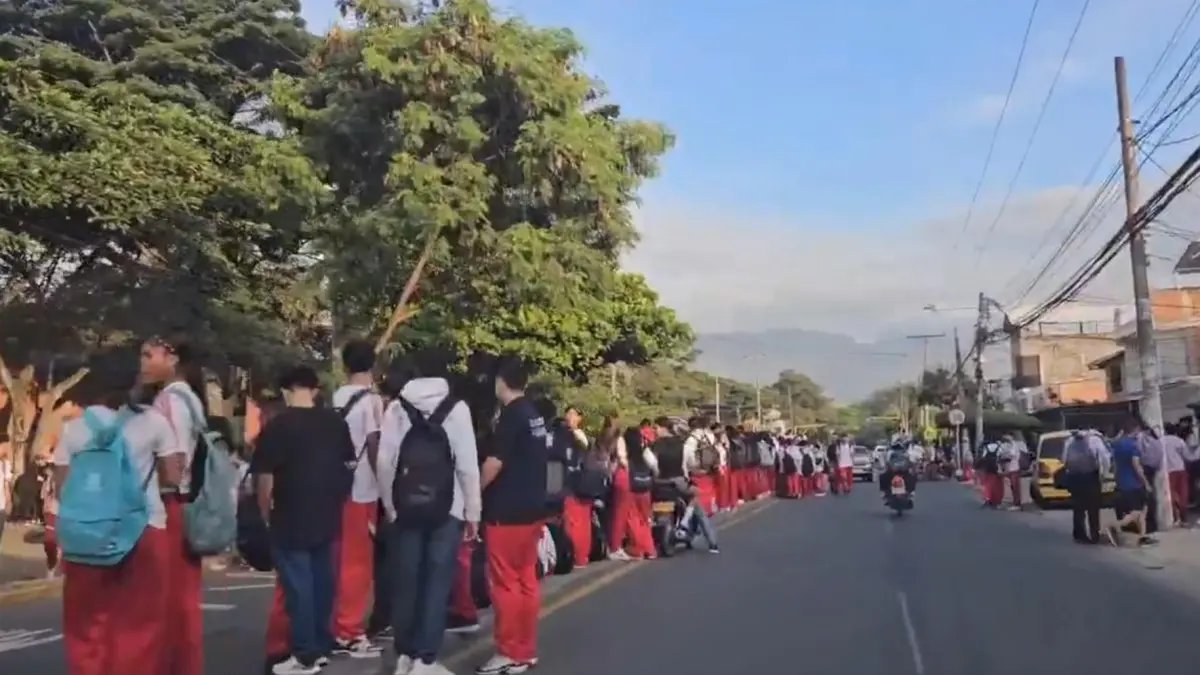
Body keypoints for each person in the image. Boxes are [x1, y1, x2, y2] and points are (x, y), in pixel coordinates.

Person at [56, 365, 185, 675]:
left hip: (86, 533)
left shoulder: (74, 429)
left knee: (85, 622)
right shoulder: (154, 422)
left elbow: (63, 487)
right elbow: (173, 476)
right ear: (133, 384)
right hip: (144, 529)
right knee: (139, 621)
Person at [377, 354, 481, 675]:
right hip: (449, 509)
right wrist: (473, 512)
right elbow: (467, 465)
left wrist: (390, 506)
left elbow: (385, 462)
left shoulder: (397, 408)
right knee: (437, 584)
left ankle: (404, 656)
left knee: (406, 581)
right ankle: (425, 659)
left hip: (406, 508)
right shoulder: (457, 409)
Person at [253, 366, 355, 675]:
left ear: (286, 391)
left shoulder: (277, 426)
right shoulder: (335, 423)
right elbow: (349, 464)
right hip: (327, 512)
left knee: (299, 587)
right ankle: (321, 646)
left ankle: (304, 655)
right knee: (323, 581)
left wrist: (264, 513)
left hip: (290, 514)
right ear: (315, 390)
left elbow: (264, 477)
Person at [476, 358, 547, 675]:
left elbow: (495, 462)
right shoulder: (534, 414)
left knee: (505, 583)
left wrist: (474, 491)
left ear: (501, 382)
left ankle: (508, 652)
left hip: (506, 511)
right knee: (526, 579)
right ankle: (525, 649)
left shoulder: (511, 415)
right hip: (532, 509)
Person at [141, 335, 208, 675]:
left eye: (148, 355)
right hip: (183, 503)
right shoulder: (190, 398)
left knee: (170, 596)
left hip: (170, 503)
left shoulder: (171, 400)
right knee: (182, 596)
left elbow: (176, 461)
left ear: (172, 358)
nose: (143, 363)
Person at [330, 340, 385, 658]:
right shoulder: (371, 401)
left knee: (339, 560)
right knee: (358, 564)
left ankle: (338, 625)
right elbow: (375, 445)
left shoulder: (336, 397)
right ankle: (349, 632)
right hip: (362, 489)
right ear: (372, 365)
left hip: (336, 487)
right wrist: (386, 485)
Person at [608, 427, 657, 561]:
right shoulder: (644, 450)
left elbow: (618, 462)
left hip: (627, 481)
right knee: (643, 518)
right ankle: (647, 548)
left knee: (624, 516)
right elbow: (654, 465)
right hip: (643, 484)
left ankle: (619, 547)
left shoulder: (623, 447)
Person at [1107, 417, 1153, 547]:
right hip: (1134, 483)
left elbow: (1114, 465)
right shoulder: (1133, 446)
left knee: (1143, 510)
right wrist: (1146, 483)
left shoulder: (1117, 445)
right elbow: (1137, 466)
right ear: (1135, 430)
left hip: (1122, 481)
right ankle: (1114, 526)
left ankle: (1143, 537)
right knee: (1136, 512)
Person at [559, 406, 595, 568]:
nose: (569, 417)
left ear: (580, 418)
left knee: (576, 522)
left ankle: (578, 556)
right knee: (580, 522)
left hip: (576, 484)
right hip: (580, 484)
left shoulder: (577, 436)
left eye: (574, 414)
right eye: (568, 413)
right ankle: (581, 556)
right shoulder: (568, 435)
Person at [1063, 430, 1109, 544]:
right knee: (1093, 508)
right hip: (1090, 477)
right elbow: (1104, 458)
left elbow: (1064, 460)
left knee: (1078, 508)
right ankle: (1094, 535)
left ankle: (1079, 534)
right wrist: (1104, 474)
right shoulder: (1095, 440)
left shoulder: (1069, 441)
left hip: (1075, 477)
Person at [1162, 424, 1190, 527]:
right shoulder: (1179, 441)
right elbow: (1186, 455)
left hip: (1168, 471)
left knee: (1171, 494)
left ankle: (1175, 518)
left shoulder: (1161, 441)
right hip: (1180, 469)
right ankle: (1184, 518)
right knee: (1183, 493)